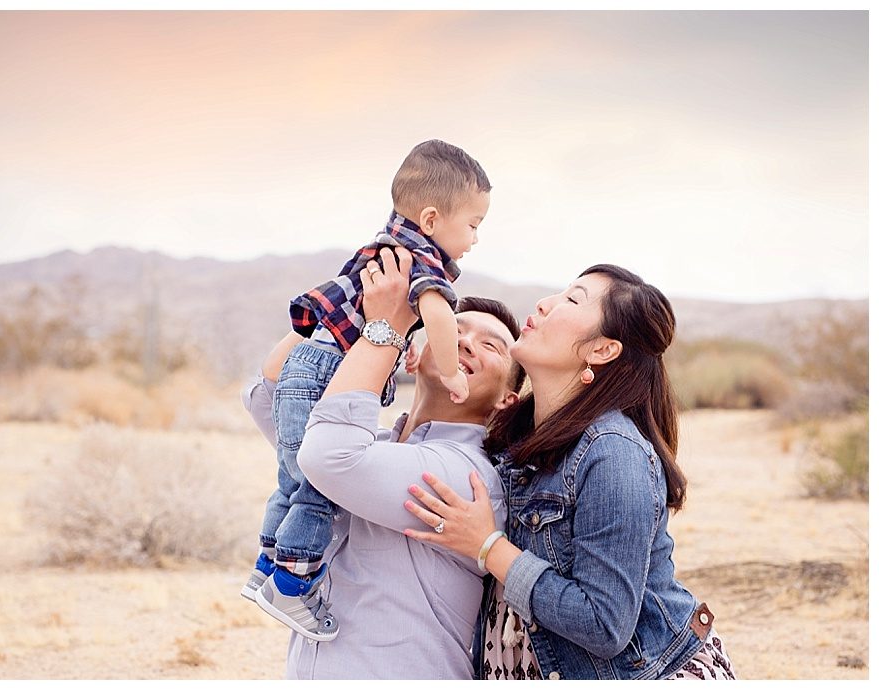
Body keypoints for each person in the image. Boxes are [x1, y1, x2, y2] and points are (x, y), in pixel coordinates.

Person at [402, 264, 737, 680]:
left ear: (601, 350)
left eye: (572, 300)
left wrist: (488, 546)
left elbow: (604, 624)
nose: (544, 304)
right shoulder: (517, 438)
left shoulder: (612, 452)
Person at [243, 140, 492, 642]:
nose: (475, 239)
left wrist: (389, 337)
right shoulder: (422, 260)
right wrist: (451, 371)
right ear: (431, 218)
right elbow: (440, 314)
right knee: (315, 488)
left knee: (291, 478)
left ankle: (266, 567)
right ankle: (291, 583)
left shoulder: (380, 247)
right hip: (329, 371)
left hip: (309, 362)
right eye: (472, 225)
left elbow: (272, 379)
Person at [240, 247, 526, 678]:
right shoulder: (375, 444)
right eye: (453, 329)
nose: (464, 342)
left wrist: (386, 326)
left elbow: (329, 456)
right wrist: (352, 298)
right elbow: (271, 392)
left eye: (490, 346)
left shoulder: (467, 477)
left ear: (507, 401)